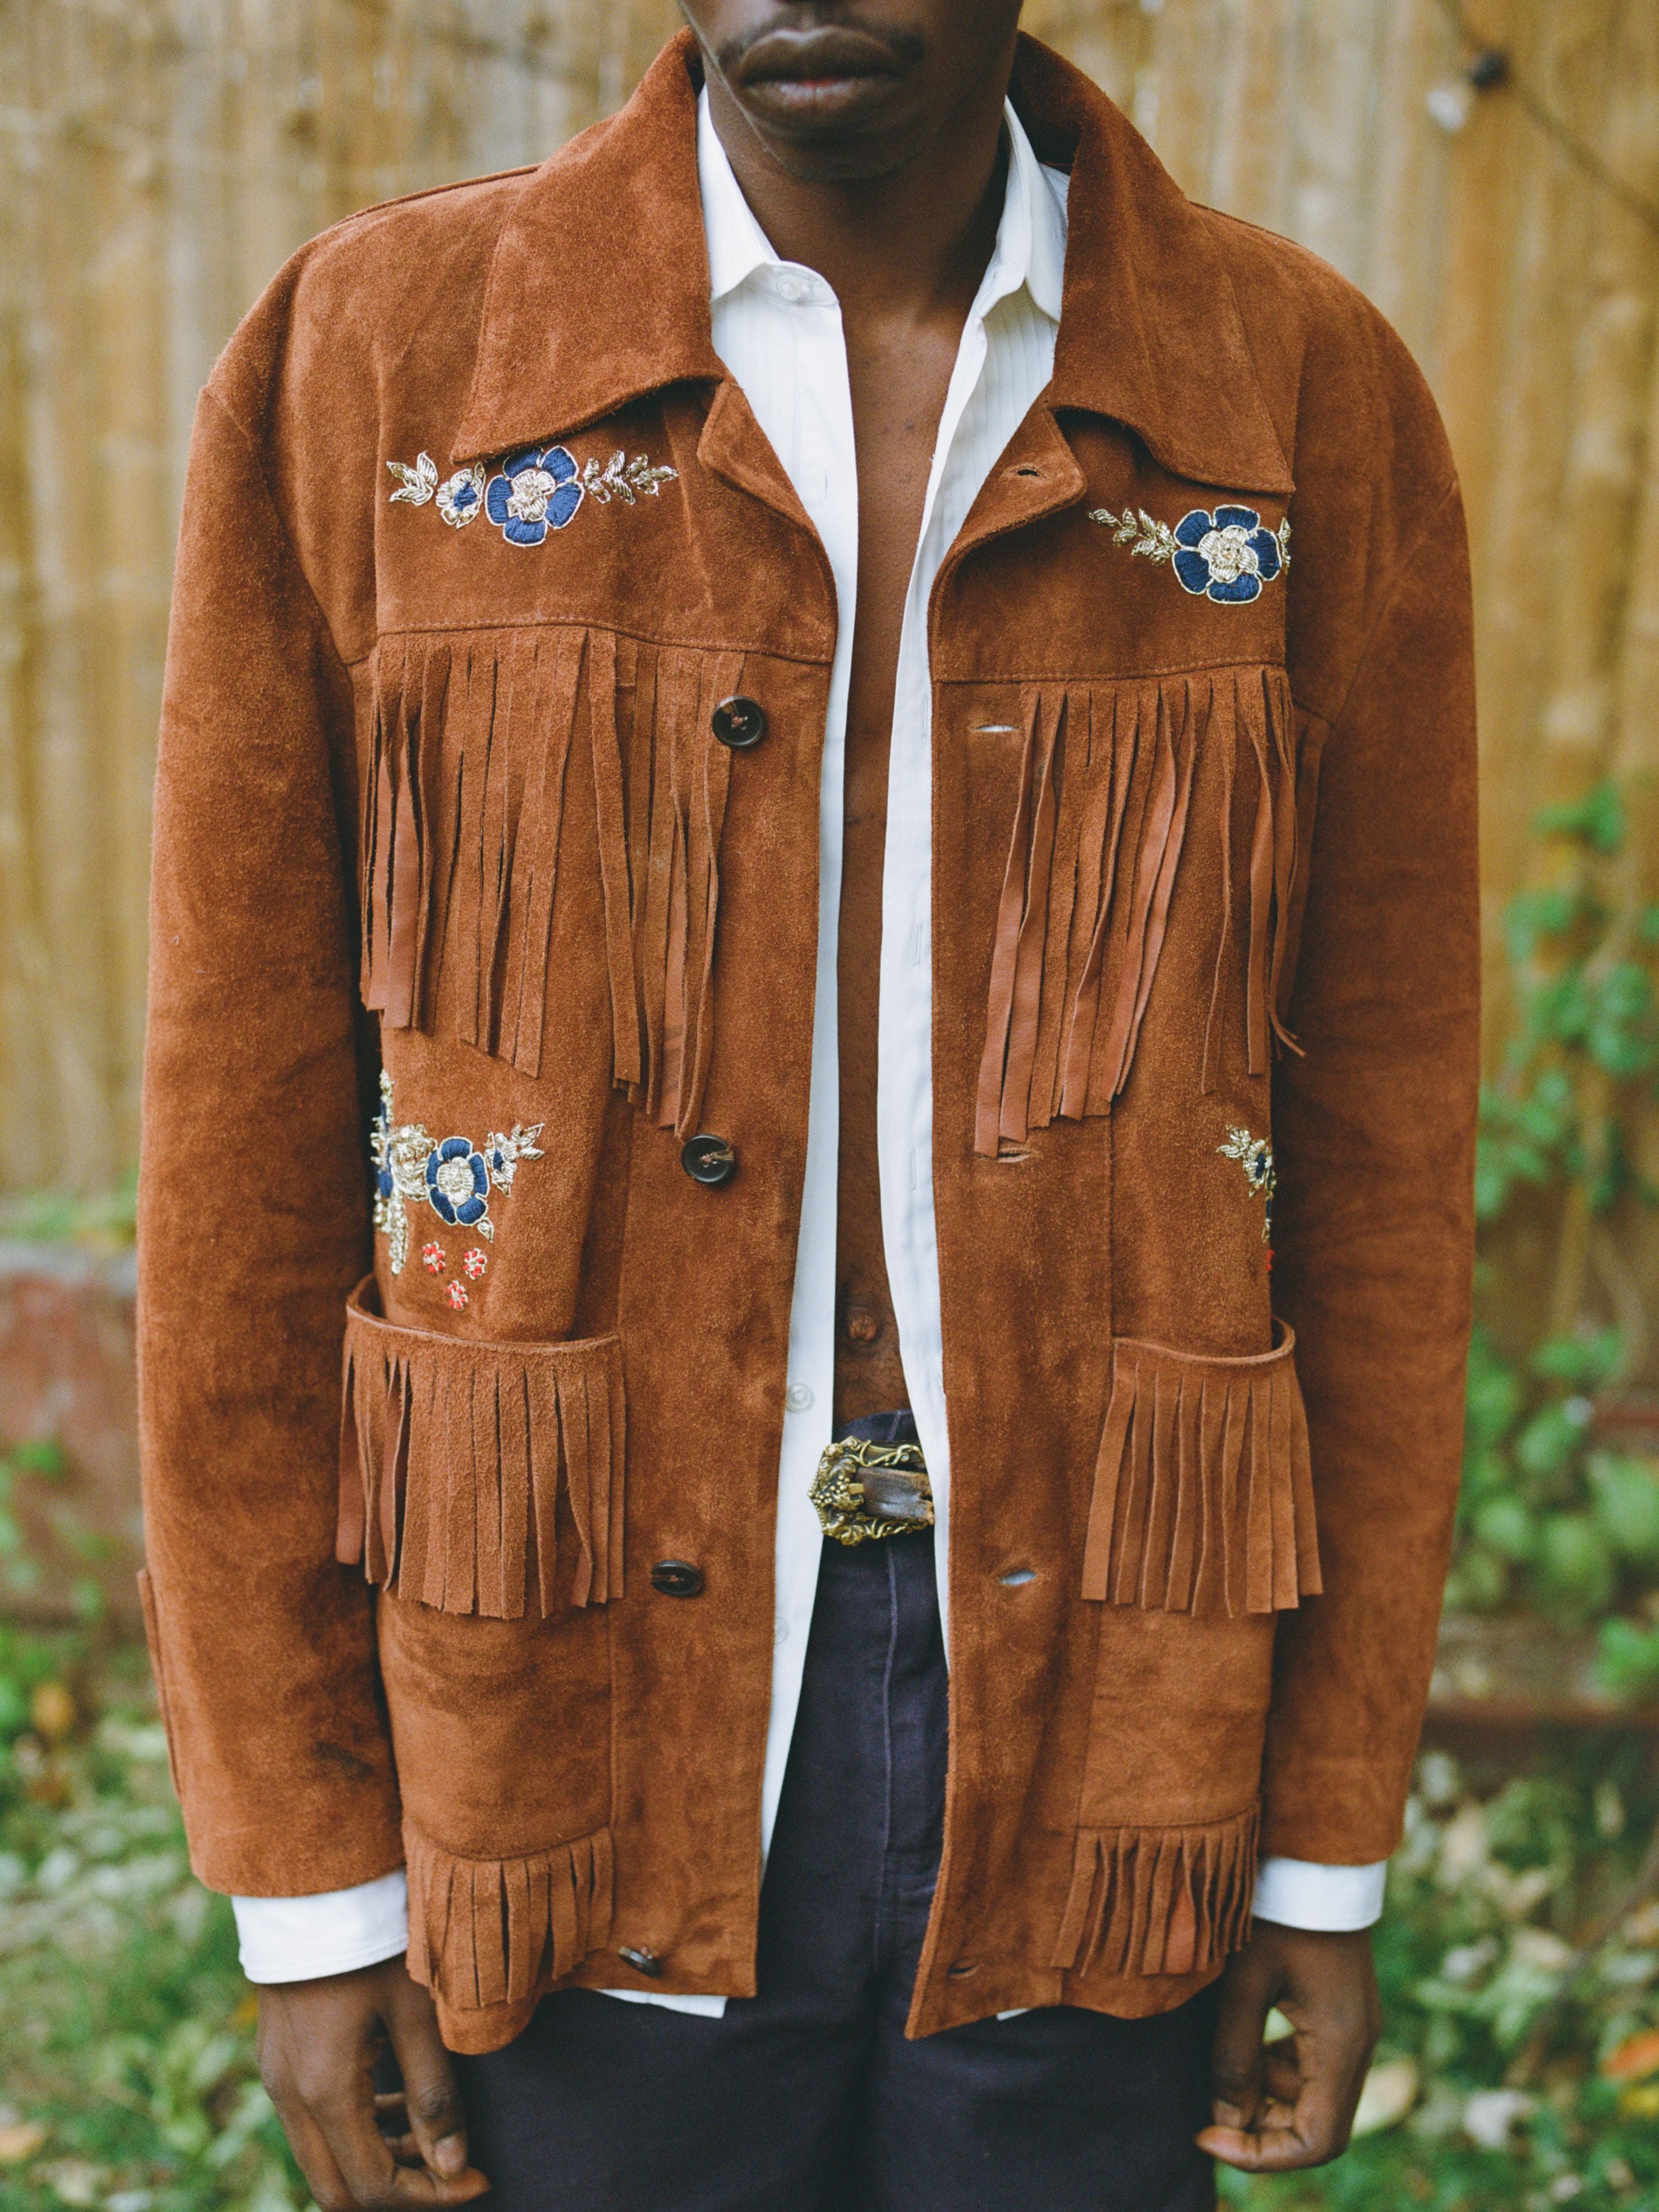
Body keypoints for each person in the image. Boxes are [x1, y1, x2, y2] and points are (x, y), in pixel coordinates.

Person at [135, 3, 1478, 2206]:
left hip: (1110, 1699)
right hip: (556, 1703)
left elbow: (1389, 1166)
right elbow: (238, 1168)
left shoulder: (1293, 395)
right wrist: (312, 1886)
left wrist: (1323, 1852)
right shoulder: (383, 362)